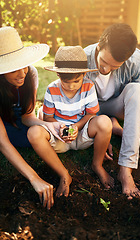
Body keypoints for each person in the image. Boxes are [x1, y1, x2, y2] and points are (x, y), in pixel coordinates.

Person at [84, 23, 140, 200]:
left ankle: (126, 170)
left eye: (114, 66)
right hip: (90, 109)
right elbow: (77, 101)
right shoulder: (83, 57)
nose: (106, 69)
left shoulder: (136, 60)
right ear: (99, 46)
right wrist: (100, 134)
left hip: (117, 105)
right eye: (103, 62)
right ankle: (111, 126)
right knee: (101, 121)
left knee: (136, 89)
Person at [28, 45, 114, 198]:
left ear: (83, 75)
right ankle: (64, 174)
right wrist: (62, 129)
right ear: (58, 76)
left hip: (82, 134)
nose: (71, 86)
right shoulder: (52, 89)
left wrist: (76, 126)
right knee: (34, 132)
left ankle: (97, 165)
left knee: (105, 122)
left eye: (76, 80)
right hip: (59, 136)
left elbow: (91, 114)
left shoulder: (88, 86)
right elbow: (48, 118)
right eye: (65, 81)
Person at [0, 26, 62, 210]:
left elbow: (27, 117)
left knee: (37, 136)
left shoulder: (31, 74)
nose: (22, 74)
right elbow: (2, 142)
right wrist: (35, 178)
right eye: (13, 70)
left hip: (17, 124)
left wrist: (52, 126)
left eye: (23, 65)